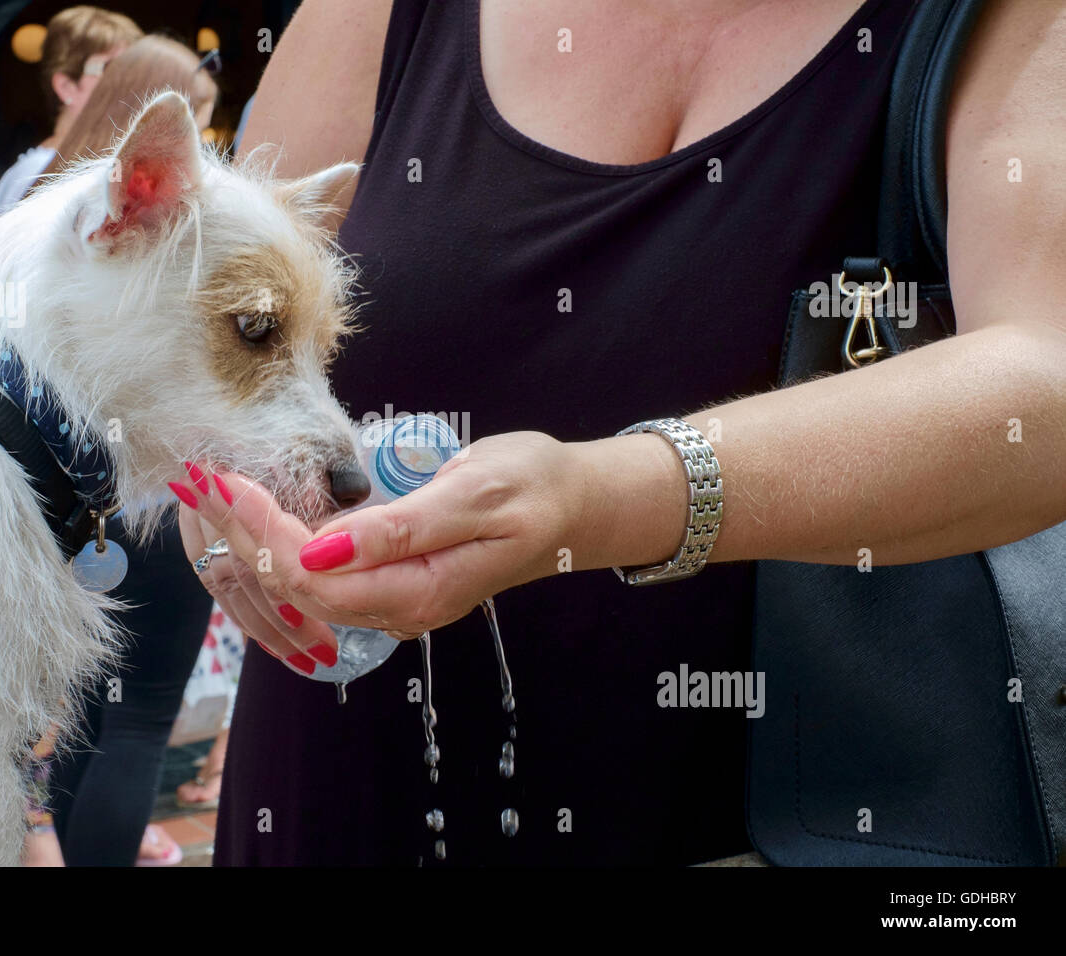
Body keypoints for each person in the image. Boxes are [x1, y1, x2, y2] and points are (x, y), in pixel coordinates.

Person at [174, 0, 1066, 866]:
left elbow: (1045, 381)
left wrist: (606, 501)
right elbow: (212, 305)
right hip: (339, 774)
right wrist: (215, 480)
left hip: (780, 808)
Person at [36, 33, 220, 867]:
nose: (206, 150)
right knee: (141, 716)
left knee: (75, 711)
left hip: (56, 501)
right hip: (153, 492)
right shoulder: (175, 222)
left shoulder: (24, 186)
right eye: (201, 124)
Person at [0, 6, 141, 218]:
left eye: (132, 70)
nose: (126, 83)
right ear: (66, 87)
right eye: (109, 69)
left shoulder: (96, 166)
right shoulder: (37, 172)